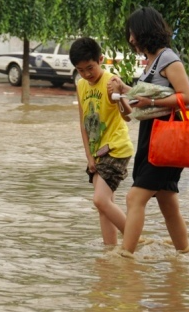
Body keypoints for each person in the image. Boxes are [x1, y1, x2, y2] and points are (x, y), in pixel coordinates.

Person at [108, 6, 189, 257]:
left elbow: (186, 97)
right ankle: (185, 256)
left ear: (145, 31)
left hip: (167, 136)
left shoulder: (169, 59)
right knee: (168, 203)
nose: (131, 39)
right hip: (152, 135)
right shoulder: (152, 62)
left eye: (133, 33)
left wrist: (152, 102)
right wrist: (123, 89)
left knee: (134, 198)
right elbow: (142, 100)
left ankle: (125, 257)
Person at [69, 37, 135, 246]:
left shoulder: (111, 80)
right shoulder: (81, 86)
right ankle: (110, 252)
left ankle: (136, 238)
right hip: (97, 153)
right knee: (104, 206)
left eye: (90, 68)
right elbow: (83, 123)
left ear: (101, 59)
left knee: (100, 200)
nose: (87, 74)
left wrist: (118, 96)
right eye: (80, 70)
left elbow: (128, 115)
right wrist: (89, 155)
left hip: (117, 148)